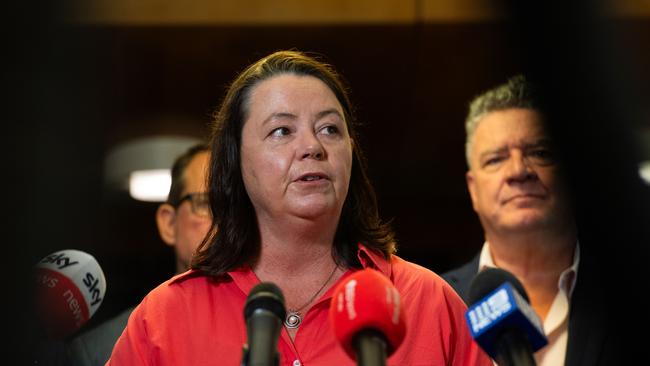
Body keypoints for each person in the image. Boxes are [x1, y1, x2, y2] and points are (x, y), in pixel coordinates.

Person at [107, 50, 491, 365]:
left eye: (330, 129)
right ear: (236, 160)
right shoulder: (164, 318)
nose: (313, 147)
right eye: (282, 131)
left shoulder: (428, 303)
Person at [442, 75, 619, 365]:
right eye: (496, 159)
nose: (519, 171)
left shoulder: (632, 289)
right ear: (473, 189)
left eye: (539, 153)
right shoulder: (439, 300)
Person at [67, 143, 211, 366]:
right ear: (169, 224)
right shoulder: (101, 349)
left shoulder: (271, 328)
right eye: (206, 203)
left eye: (235, 206)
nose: (225, 221)